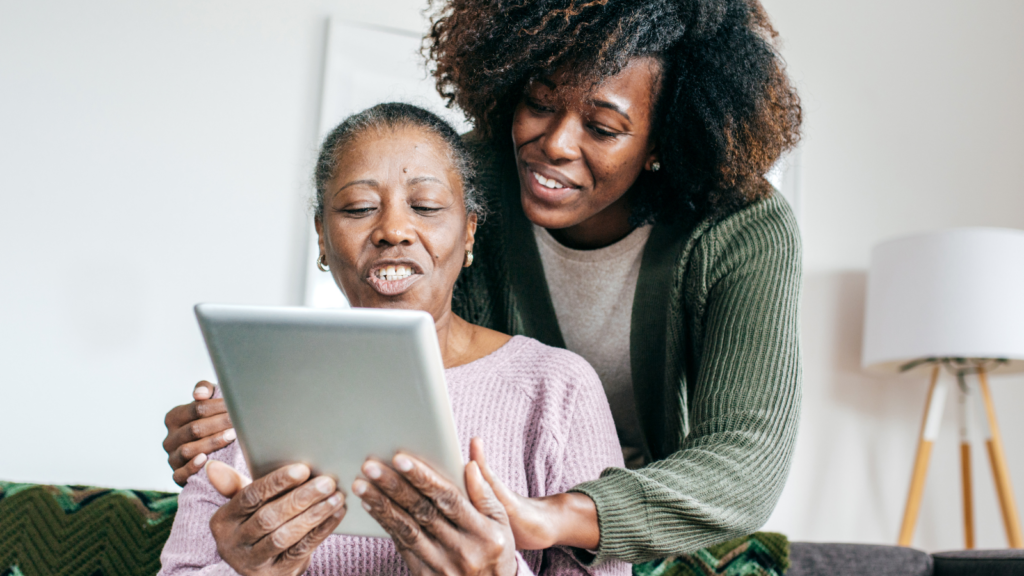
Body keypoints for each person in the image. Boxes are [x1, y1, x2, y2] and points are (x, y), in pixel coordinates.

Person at [164, 0, 804, 567]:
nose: (554, 144)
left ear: (663, 139)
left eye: (602, 128)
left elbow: (746, 460)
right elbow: (405, 355)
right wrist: (255, 415)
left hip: (649, 530)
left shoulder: (741, 230)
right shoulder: (467, 189)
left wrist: (547, 516)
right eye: (539, 103)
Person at [158, 103, 629, 576]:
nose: (393, 231)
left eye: (425, 206)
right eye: (359, 209)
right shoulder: (246, 395)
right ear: (322, 236)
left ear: (469, 232)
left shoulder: (557, 389)